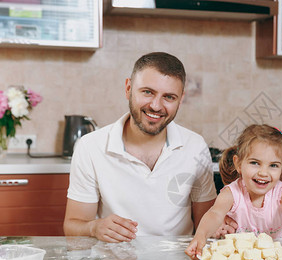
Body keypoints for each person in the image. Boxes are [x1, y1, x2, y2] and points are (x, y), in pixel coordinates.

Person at [64, 52, 222, 243]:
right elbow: (72, 225)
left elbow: (207, 225)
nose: (156, 106)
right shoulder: (90, 147)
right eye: (147, 92)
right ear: (128, 88)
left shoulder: (195, 146)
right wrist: (93, 227)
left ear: (180, 100)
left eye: (169, 97)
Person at [185, 124, 282, 260]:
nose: (263, 172)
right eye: (255, 163)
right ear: (238, 164)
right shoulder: (231, 193)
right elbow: (214, 214)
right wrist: (200, 236)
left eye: (273, 165)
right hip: (251, 259)